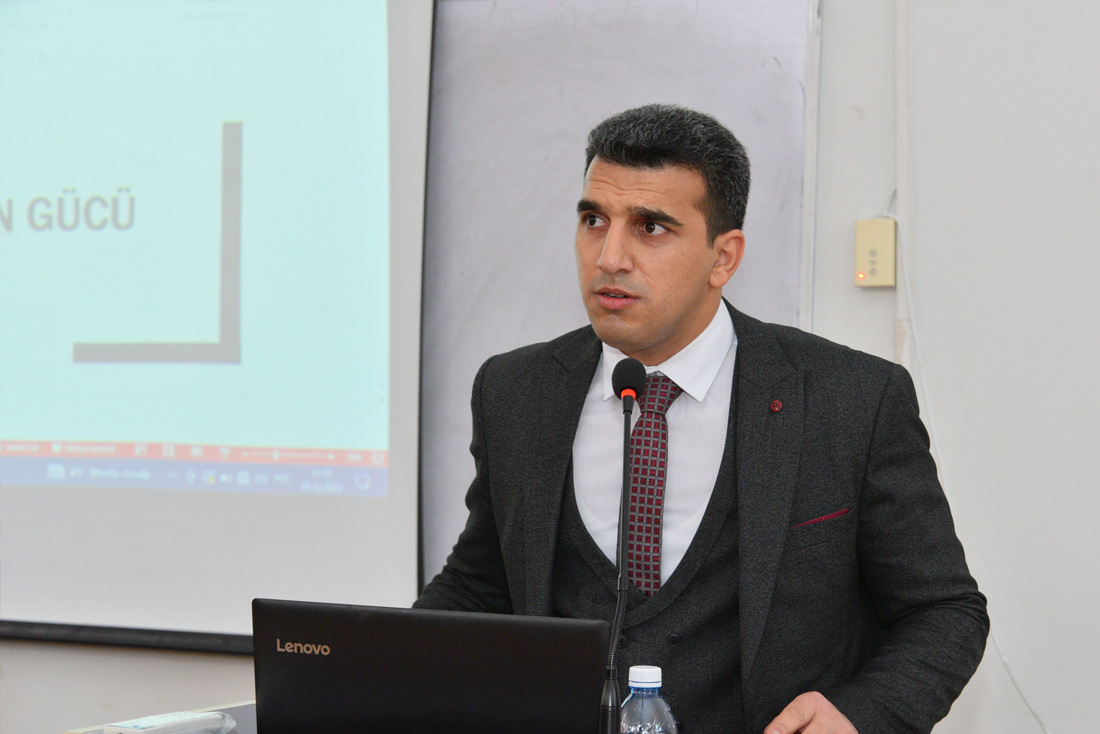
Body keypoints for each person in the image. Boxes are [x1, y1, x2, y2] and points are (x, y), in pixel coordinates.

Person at [415, 104, 988, 734]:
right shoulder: (516, 391)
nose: (609, 257)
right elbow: (481, 589)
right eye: (593, 220)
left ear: (724, 257)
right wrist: (378, 672)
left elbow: (943, 610)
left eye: (650, 227)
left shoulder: (850, 398)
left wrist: (861, 715)